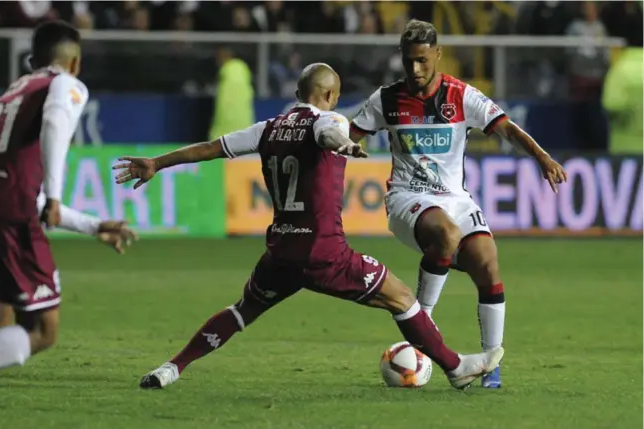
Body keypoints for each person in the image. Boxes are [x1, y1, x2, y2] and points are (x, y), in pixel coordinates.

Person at [113, 63, 503, 392]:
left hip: (281, 252)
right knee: (403, 300)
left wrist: (157, 163)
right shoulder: (329, 121)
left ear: (299, 91)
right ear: (331, 96)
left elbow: (211, 148)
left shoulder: (267, 128)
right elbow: (328, 133)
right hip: (326, 253)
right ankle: (456, 367)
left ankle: (172, 368)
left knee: (241, 311)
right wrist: (345, 145)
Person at [0, 21, 135, 429]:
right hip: (5, 208)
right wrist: (58, 196)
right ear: (74, 61)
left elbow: (21, 182)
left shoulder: (15, 91)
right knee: (43, 330)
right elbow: (57, 124)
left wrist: (92, 225)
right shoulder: (65, 83)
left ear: (32, 59)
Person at [348, 20, 567, 388]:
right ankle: (422, 324)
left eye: (422, 60)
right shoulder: (386, 99)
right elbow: (350, 136)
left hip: (456, 198)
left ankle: (490, 363)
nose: (415, 70)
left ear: (437, 54)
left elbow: (507, 128)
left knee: (487, 262)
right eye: (408, 62)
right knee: (446, 235)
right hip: (407, 198)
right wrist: (347, 147)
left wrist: (541, 157)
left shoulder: (461, 96)